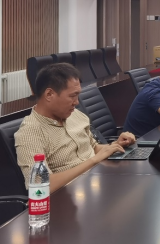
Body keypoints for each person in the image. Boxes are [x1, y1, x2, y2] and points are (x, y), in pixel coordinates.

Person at [14, 63, 135, 192]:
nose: (77, 102)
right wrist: (93, 161)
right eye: (72, 96)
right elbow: (41, 186)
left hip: (97, 182)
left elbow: (93, 147)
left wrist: (115, 145)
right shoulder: (30, 133)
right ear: (49, 94)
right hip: (69, 196)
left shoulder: (75, 115)